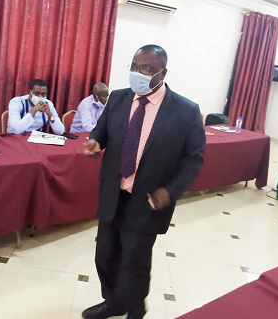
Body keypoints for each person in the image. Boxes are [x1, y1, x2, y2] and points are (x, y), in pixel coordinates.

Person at [82, 45, 206, 319]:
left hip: (148, 199)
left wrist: (171, 191)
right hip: (114, 193)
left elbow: (193, 159)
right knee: (106, 255)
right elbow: (101, 130)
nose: (138, 73)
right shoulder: (118, 98)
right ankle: (113, 302)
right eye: (135, 66)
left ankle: (135, 309)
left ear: (163, 72)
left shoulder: (185, 111)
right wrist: (95, 142)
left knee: (134, 261)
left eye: (147, 69)